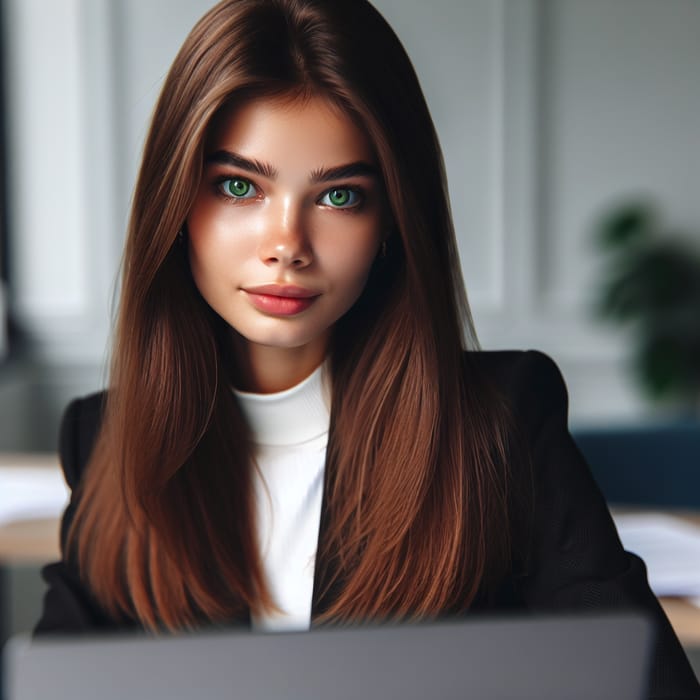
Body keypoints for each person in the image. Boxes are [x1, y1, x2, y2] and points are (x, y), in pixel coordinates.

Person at [35, 0, 700, 696]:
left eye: (340, 197)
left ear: (391, 223)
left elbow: (644, 684)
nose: (285, 245)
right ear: (175, 207)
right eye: (239, 186)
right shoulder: (108, 438)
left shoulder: (500, 427)